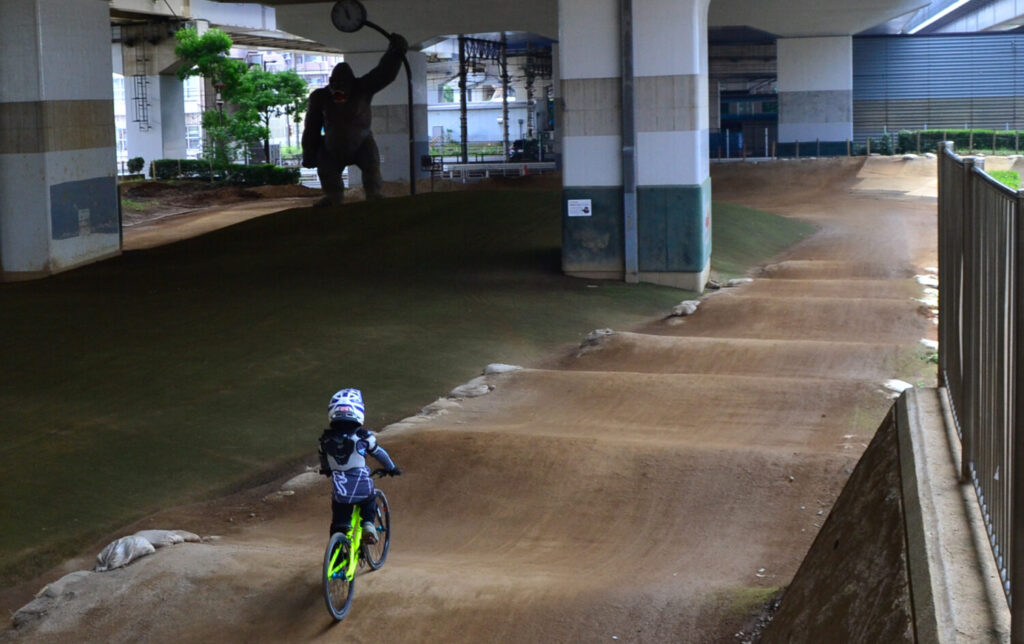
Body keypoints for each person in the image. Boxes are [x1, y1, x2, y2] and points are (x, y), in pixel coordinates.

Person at [301, 33, 409, 207]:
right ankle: (334, 198)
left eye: (344, 85)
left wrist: (395, 52)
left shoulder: (363, 88)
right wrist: (309, 152)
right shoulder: (319, 97)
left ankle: (373, 195)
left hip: (362, 142)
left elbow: (384, 74)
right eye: (335, 85)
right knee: (327, 173)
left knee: (371, 169)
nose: (339, 90)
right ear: (330, 82)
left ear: (352, 82)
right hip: (331, 146)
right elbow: (311, 127)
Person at [318, 388, 401, 544]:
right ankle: (368, 524)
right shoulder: (364, 437)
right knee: (369, 499)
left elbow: (323, 459)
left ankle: (336, 557)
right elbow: (379, 453)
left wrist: (326, 469)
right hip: (361, 488)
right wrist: (391, 468)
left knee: (339, 523)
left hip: (340, 491)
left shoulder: (325, 439)